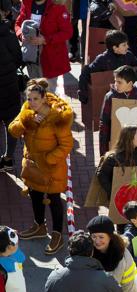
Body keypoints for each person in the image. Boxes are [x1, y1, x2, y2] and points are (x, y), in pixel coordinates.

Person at [9, 79, 73, 254]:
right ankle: (39, 226)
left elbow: (67, 144)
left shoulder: (58, 116)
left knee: (53, 202)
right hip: (31, 165)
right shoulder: (27, 111)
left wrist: (49, 159)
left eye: (35, 98)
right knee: (35, 196)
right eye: (28, 98)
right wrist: (27, 122)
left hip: (52, 168)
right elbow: (13, 130)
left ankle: (58, 235)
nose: (31, 102)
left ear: (44, 98)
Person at [15, 0, 72, 94]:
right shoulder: (26, 3)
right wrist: (21, 35)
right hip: (32, 60)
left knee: (48, 95)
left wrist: (45, 39)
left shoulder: (57, 6)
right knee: (35, 94)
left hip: (51, 61)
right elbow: (18, 24)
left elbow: (67, 32)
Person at [99, 65, 137, 156]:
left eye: (119, 82)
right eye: (115, 81)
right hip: (116, 147)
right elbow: (104, 124)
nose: (116, 84)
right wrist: (103, 152)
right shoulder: (110, 97)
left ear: (130, 83)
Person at [77, 30, 137, 104]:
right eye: (124, 45)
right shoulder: (102, 59)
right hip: (107, 96)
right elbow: (86, 72)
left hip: (126, 94)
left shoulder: (129, 55)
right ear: (115, 48)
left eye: (127, 44)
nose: (127, 46)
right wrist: (83, 93)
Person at [96, 124, 137, 200]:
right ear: (129, 138)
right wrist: (113, 192)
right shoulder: (113, 158)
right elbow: (102, 176)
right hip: (118, 200)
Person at [0, 8, 22, 172]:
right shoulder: (8, 34)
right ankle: (8, 158)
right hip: (9, 85)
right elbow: (18, 58)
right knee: (11, 124)